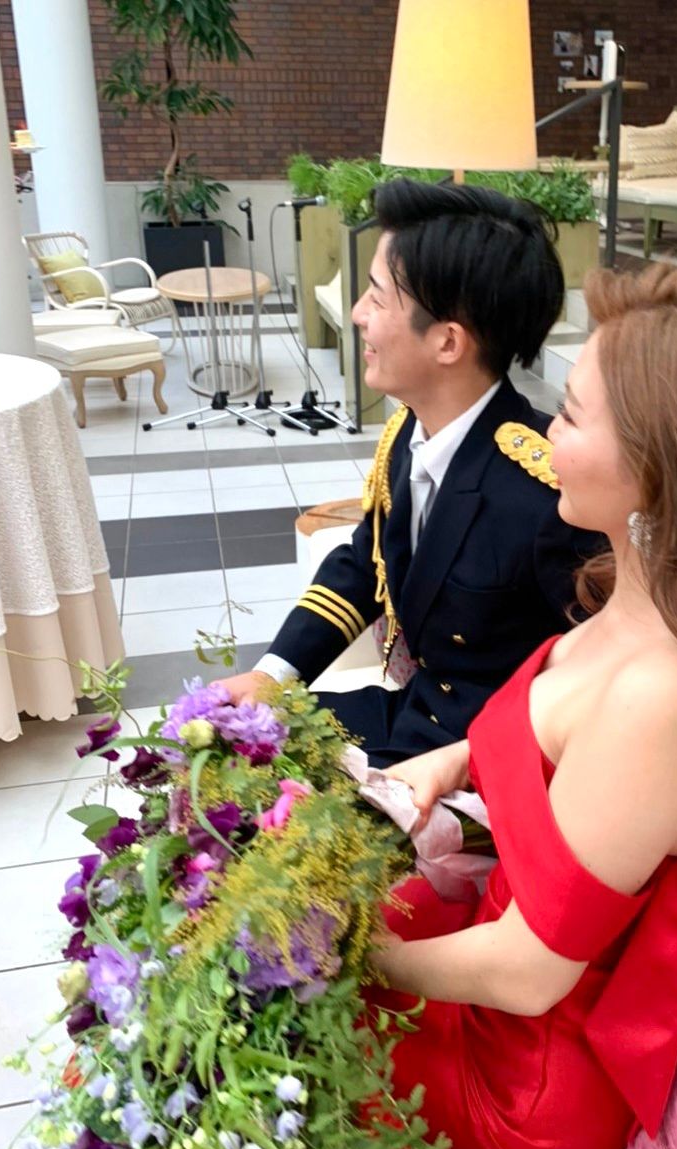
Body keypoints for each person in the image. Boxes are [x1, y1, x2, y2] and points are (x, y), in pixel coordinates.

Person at [368, 254, 677, 1149]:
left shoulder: (664, 699)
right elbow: (553, 739)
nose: (544, 436)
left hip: (521, 1080)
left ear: (661, 469)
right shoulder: (641, 597)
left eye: (568, 414)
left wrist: (343, 958)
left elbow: (528, 974)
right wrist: (454, 759)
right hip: (492, 974)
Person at [214, 180, 601, 767]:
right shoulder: (408, 432)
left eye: (376, 296)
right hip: (413, 721)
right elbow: (363, 563)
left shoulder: (548, 494)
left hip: (478, 763)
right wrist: (274, 676)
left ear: (447, 342)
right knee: (226, 738)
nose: (357, 314)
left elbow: (594, 681)